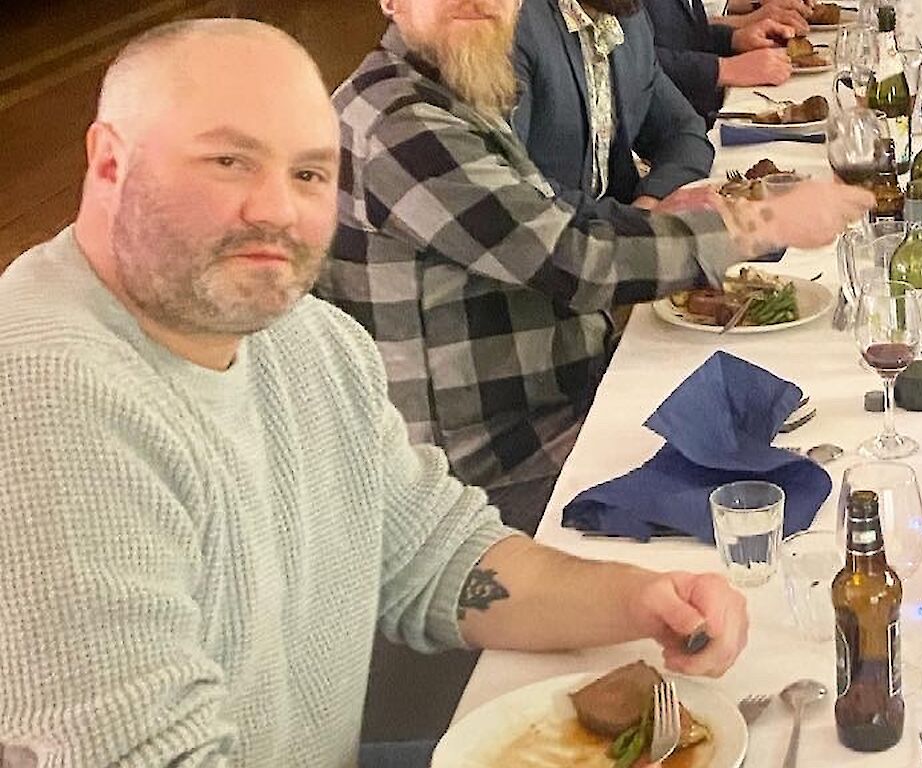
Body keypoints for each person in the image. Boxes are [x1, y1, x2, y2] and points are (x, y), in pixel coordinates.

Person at [0, 19, 750, 764]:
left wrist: (637, 601)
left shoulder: (307, 340)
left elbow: (434, 556)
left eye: (309, 173)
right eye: (229, 160)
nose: (275, 210)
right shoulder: (47, 400)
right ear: (108, 162)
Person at [321, 0, 871, 531]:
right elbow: (576, 258)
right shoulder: (402, 125)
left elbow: (564, 217)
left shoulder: (449, 94)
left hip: (558, 403)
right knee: (786, 506)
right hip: (485, 476)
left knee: (803, 425)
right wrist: (761, 224)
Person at [513, 0, 715, 207]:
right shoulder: (513, 27)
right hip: (554, 231)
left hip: (614, 224)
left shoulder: (630, 20)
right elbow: (513, 186)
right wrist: (632, 222)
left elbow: (685, 131)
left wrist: (650, 199)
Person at [643, 0, 803, 124]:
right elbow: (631, 58)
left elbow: (684, 33)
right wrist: (723, 69)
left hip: (695, 117)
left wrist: (733, 39)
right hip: (661, 130)